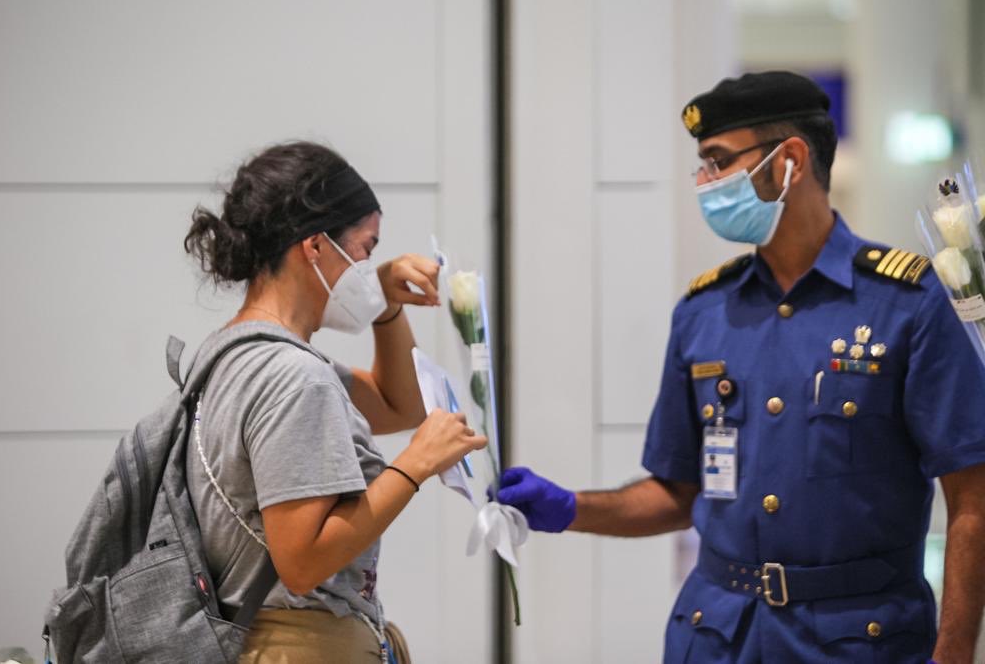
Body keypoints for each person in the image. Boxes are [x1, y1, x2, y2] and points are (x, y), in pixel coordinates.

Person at [498, 72, 985, 663]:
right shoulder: (704, 313)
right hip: (717, 638)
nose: (705, 184)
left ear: (790, 161)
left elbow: (972, 496)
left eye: (719, 162)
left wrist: (955, 649)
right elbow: (678, 492)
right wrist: (572, 507)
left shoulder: (908, 303)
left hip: (857, 640)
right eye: (701, 167)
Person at [182, 141, 487, 663]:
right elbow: (302, 563)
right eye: (366, 249)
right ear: (315, 247)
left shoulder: (232, 353)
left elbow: (398, 404)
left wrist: (385, 305)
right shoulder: (295, 377)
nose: (370, 266)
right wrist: (414, 465)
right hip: (297, 646)